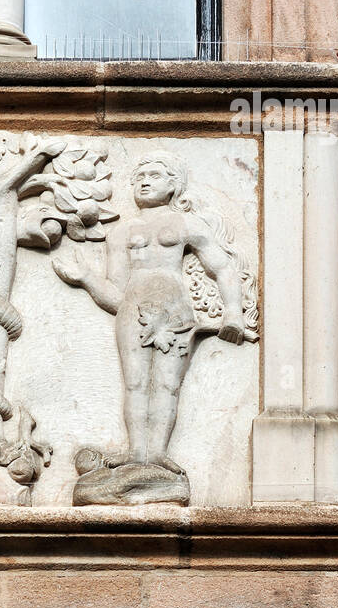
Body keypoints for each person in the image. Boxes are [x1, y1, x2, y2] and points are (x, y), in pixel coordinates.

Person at [53, 151, 248, 482]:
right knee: (136, 382)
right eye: (139, 176)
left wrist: (233, 312)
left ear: (173, 185)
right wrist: (85, 278)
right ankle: (136, 454)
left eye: (155, 175)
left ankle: (157, 455)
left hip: (175, 311)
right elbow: (116, 294)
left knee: (167, 384)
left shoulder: (188, 223)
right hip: (133, 310)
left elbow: (223, 267)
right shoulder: (121, 233)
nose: (144, 181)